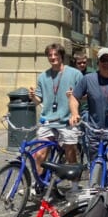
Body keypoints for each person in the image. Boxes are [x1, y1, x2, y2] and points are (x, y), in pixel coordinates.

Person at [69, 48, 108, 184]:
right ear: (98, 62)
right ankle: (96, 195)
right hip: (95, 130)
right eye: (103, 60)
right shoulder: (88, 79)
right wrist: (75, 113)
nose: (106, 63)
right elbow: (74, 97)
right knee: (95, 165)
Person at [28, 43, 83, 174]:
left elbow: (84, 96)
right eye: (50, 55)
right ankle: (38, 185)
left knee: (70, 153)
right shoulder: (43, 77)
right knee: (40, 154)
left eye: (55, 54)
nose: (53, 57)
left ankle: (74, 184)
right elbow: (38, 100)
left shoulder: (75, 74)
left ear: (61, 56)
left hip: (67, 121)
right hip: (48, 121)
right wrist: (32, 96)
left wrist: (75, 99)